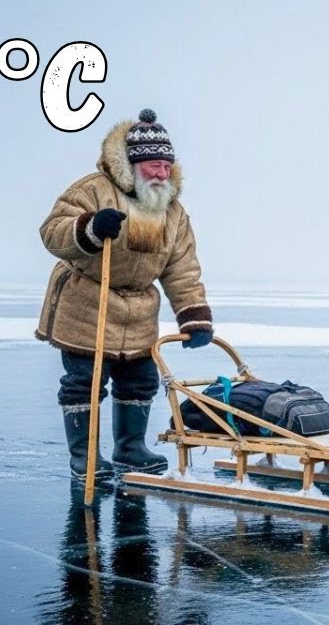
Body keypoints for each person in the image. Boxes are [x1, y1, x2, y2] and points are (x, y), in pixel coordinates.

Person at [36, 109, 214, 480]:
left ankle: (130, 448)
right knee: (84, 383)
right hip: (88, 302)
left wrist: (193, 314)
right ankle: (84, 457)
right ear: (132, 163)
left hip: (139, 309)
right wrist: (88, 228)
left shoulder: (172, 212)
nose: (162, 173)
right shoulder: (92, 190)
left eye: (167, 166)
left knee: (140, 379)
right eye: (153, 166)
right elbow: (52, 231)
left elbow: (182, 266)